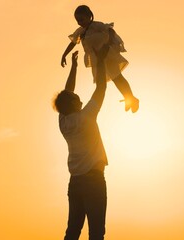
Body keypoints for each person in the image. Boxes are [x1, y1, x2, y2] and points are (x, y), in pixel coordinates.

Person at [53, 46, 110, 240]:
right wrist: (101, 61)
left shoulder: (63, 122)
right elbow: (101, 87)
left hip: (75, 182)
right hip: (93, 180)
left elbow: (67, 92)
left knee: (73, 230)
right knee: (96, 232)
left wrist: (75, 66)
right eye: (77, 99)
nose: (80, 99)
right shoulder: (86, 116)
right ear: (73, 105)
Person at [60, 5, 139, 113]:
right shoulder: (80, 31)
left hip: (106, 55)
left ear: (89, 16)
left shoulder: (96, 25)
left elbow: (110, 30)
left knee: (117, 78)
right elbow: (73, 42)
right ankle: (129, 98)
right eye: (77, 20)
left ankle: (130, 98)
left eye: (81, 19)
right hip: (96, 60)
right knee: (100, 83)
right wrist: (64, 54)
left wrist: (109, 43)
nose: (80, 22)